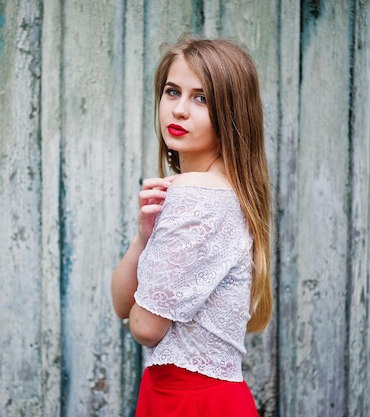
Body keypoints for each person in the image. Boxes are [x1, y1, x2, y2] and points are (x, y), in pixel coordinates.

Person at [111, 35, 272, 416]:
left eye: (201, 98)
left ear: (233, 114)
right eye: (172, 92)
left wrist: (141, 306)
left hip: (190, 402)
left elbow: (145, 326)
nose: (179, 110)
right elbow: (123, 305)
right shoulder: (226, 191)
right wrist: (142, 238)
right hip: (201, 398)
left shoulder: (196, 194)